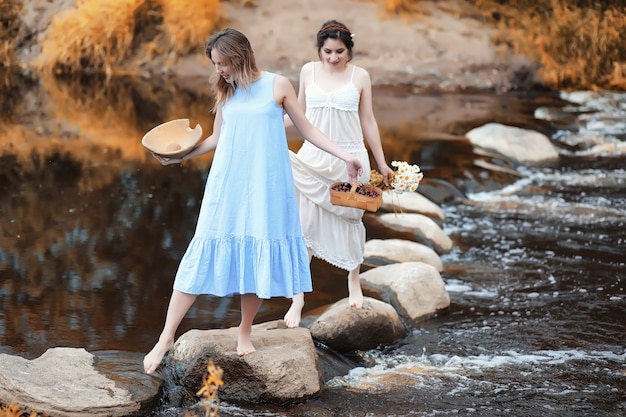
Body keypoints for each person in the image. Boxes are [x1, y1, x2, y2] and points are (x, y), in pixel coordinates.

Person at [143, 27, 363, 375]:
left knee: (257, 253)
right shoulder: (227, 92)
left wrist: (345, 156)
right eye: (215, 64)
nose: (219, 71)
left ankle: (244, 330)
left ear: (240, 56)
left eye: (223, 63)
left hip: (267, 185)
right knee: (201, 253)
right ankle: (166, 336)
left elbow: (307, 128)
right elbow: (217, 138)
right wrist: (179, 157)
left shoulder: (278, 85)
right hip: (227, 185)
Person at [283, 20, 394, 328]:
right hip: (314, 156)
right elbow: (298, 114)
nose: (333, 58)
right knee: (304, 226)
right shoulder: (308, 71)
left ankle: (353, 280)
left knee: (351, 220)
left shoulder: (360, 76)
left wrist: (381, 163)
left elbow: (368, 121)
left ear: (349, 50)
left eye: (340, 52)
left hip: (350, 158)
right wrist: (267, 128)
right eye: (328, 52)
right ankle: (298, 299)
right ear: (319, 50)